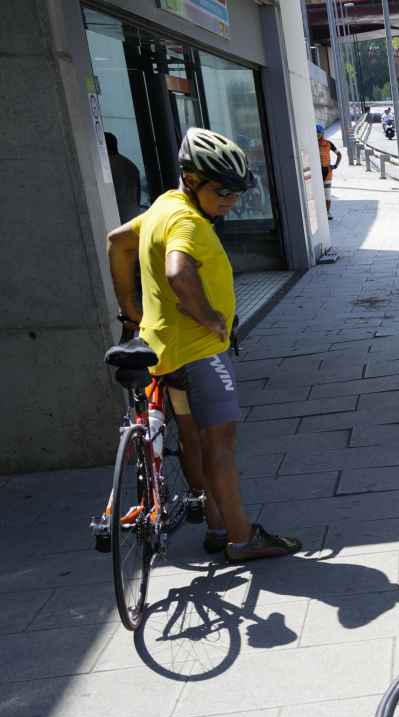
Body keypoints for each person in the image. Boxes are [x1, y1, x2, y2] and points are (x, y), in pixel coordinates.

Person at [103, 128, 303, 563]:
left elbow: (117, 242)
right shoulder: (188, 222)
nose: (231, 201)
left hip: (165, 349)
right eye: (222, 191)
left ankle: (216, 525)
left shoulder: (163, 207)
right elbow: (178, 272)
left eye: (237, 192)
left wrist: (129, 308)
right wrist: (211, 317)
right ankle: (242, 537)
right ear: (191, 179)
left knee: (192, 440)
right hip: (200, 353)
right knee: (221, 446)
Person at [105, 132, 143, 224]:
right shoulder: (131, 165)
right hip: (132, 216)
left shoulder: (105, 168)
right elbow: (138, 196)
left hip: (115, 218)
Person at [316, 124, 342, 220]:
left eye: (318, 132)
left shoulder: (328, 143)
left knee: (327, 193)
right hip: (316, 172)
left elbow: (339, 154)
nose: (317, 134)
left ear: (322, 133)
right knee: (317, 193)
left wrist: (335, 166)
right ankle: (319, 212)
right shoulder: (312, 144)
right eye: (316, 132)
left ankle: (327, 212)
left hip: (327, 172)